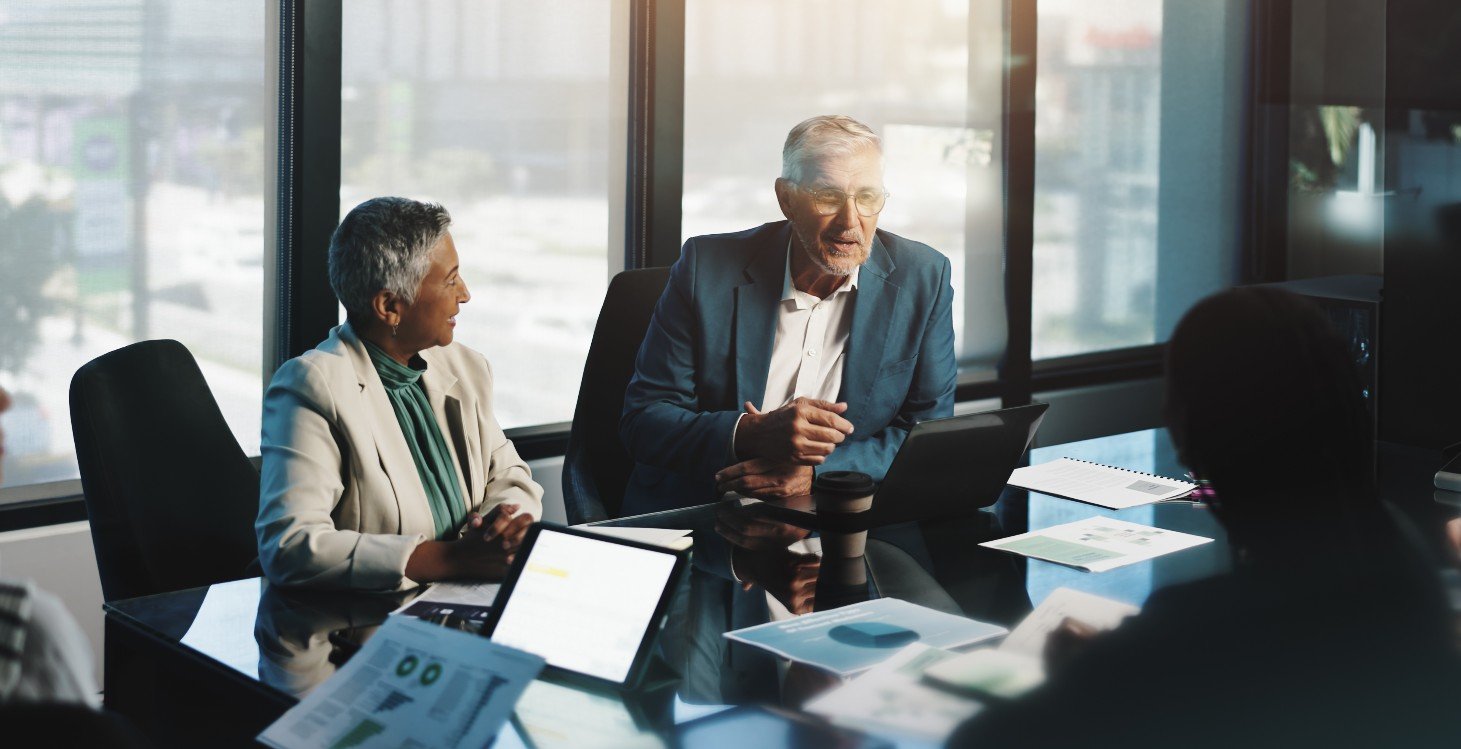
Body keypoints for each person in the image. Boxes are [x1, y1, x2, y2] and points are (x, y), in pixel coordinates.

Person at [950, 287, 1461, 748]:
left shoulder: (1194, 626)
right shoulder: (1396, 545)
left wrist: (1093, 674)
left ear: (1188, 428)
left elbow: (981, 740)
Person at [620, 115, 956, 515]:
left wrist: (819, 472)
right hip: (706, 512)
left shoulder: (924, 277)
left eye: (867, 197)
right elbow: (644, 421)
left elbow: (927, 433)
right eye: (828, 197)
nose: (851, 222)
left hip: (836, 516)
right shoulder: (704, 268)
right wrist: (751, 434)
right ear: (787, 200)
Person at [257, 197, 543, 590]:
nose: (465, 293)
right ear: (390, 306)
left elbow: (509, 472)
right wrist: (453, 559)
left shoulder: (466, 367)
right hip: (364, 628)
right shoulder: (311, 387)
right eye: (450, 279)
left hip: (467, 607)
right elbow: (289, 546)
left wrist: (505, 528)